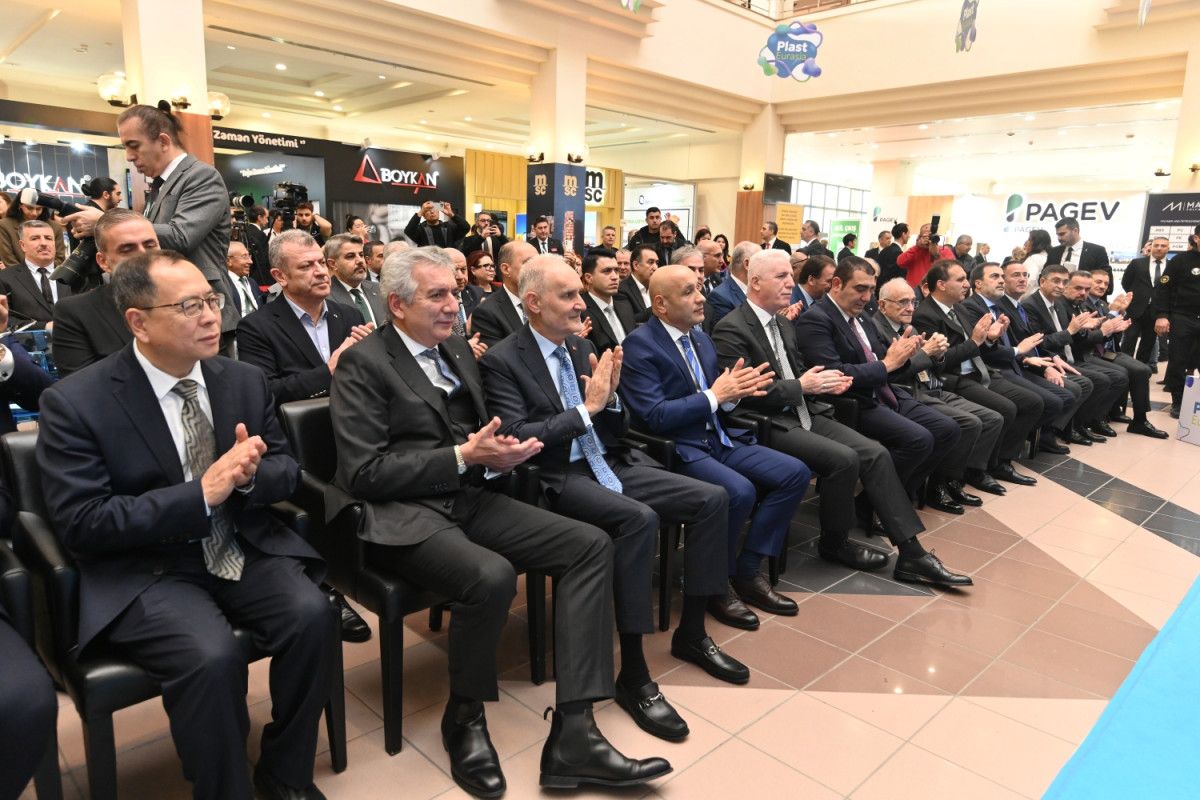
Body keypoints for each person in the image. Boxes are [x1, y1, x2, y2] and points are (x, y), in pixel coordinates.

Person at [327, 246, 671, 794]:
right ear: (397, 305)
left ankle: (575, 732)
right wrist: (464, 456)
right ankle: (464, 717)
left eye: (453, 292)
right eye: (437, 295)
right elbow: (364, 472)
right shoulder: (363, 364)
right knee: (491, 576)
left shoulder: (455, 348)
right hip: (403, 513)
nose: (453, 304)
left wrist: (503, 452)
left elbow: (486, 430)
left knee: (589, 545)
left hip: (470, 495)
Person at [36, 250, 338, 800]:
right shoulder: (76, 402)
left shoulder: (242, 380)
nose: (211, 316)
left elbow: (286, 470)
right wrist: (200, 492)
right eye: (189, 306)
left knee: (314, 616)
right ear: (138, 322)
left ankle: (285, 772)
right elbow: (83, 521)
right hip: (148, 565)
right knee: (211, 657)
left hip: (239, 541)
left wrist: (246, 479)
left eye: (212, 300)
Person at [481, 255, 747, 737]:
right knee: (638, 520)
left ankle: (692, 633)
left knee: (712, 499)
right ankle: (635, 674)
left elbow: (613, 425)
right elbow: (517, 435)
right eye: (568, 296)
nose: (580, 304)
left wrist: (613, 400)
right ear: (533, 302)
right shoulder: (503, 360)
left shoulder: (581, 346)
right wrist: (588, 409)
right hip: (558, 475)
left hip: (610, 459)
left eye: (578, 294)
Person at [713, 252, 969, 586]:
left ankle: (911, 553)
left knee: (874, 453)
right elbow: (744, 392)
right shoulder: (731, 327)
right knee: (845, 458)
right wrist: (802, 385)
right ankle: (835, 542)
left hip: (806, 410)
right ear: (756, 282)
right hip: (766, 421)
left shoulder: (784, 324)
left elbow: (801, 372)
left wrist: (822, 381)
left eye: (790, 276)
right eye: (781, 277)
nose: (790, 283)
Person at [620, 264, 815, 626]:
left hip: (719, 437)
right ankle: (715, 585)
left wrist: (735, 393)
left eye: (699, 289)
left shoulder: (701, 339)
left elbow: (720, 398)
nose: (701, 299)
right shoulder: (639, 345)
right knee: (738, 491)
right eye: (689, 292)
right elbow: (655, 416)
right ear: (660, 304)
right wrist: (716, 396)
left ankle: (747, 568)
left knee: (795, 473)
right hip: (678, 447)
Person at [794, 259, 969, 508]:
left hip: (886, 391)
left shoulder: (863, 318)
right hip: (853, 401)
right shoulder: (816, 319)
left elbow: (888, 361)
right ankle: (877, 506)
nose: (867, 298)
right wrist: (889, 364)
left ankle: (889, 499)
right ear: (837, 284)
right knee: (918, 440)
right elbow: (835, 373)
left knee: (947, 429)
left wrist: (906, 355)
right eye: (860, 289)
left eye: (871, 290)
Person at [66, 103, 241, 349]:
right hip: (167, 310)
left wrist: (105, 221)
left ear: (163, 141)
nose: (129, 156)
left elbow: (181, 236)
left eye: (133, 145)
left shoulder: (201, 176)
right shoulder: (159, 187)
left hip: (199, 310)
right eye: (126, 147)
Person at [875, 277, 1006, 507]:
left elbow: (934, 366)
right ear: (883, 305)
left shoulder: (910, 326)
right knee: (968, 423)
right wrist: (926, 353)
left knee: (992, 418)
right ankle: (937, 486)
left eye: (913, 302)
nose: (910, 308)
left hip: (933, 386)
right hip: (908, 392)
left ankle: (956, 479)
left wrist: (938, 354)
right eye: (902, 302)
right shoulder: (876, 329)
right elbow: (892, 373)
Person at [911, 261, 1043, 487]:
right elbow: (939, 361)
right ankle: (977, 469)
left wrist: (989, 338)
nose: (966, 284)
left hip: (979, 370)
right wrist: (975, 342)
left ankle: (998, 461)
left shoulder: (958, 308)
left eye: (966, 279)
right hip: (952, 378)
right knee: (1004, 409)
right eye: (960, 279)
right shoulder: (926, 314)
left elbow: (979, 347)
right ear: (941, 284)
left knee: (1031, 402)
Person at [236, 229, 372, 408]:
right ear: (280, 276)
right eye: (306, 266)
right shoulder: (256, 327)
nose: (321, 272)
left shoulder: (350, 315)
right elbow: (264, 392)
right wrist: (329, 370)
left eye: (321, 263)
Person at [960, 262, 1085, 455]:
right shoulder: (974, 307)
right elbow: (988, 350)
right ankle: (1005, 453)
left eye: (1025, 275)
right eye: (996, 277)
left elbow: (1027, 341)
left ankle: (1026, 440)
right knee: (1044, 401)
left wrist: (1046, 359)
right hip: (995, 368)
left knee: (1068, 393)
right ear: (978, 283)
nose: (1001, 281)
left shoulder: (999, 306)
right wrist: (1024, 356)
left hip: (1015, 363)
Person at [1022, 265, 1128, 441]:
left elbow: (1072, 335)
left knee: (1117, 375)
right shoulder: (1030, 305)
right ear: (1042, 281)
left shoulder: (1057, 304)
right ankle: (1063, 429)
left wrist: (1086, 328)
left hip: (1066, 357)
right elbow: (1040, 342)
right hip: (1047, 360)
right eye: (1056, 281)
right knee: (1091, 382)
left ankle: (1080, 424)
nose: (1060, 286)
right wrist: (1073, 331)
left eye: (1064, 282)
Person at [52, 209, 157, 376]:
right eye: (127, 249)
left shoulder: (191, 298)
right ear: (103, 262)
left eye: (150, 245)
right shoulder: (76, 313)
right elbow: (80, 385)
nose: (143, 254)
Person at [1080, 270, 1166, 438]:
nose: (1102, 286)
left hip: (1108, 351)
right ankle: (1114, 415)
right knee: (1133, 371)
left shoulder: (1103, 304)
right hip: (1093, 352)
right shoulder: (1082, 304)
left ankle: (1138, 419)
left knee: (1143, 369)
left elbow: (1111, 334)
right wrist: (1113, 315)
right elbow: (1092, 335)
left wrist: (1119, 317)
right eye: (1098, 282)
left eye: (1106, 283)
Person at [1155, 224, 1200, 418]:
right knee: (1178, 361)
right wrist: (1162, 315)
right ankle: (1178, 402)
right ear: (1196, 238)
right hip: (1183, 317)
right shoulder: (1180, 260)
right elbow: (1163, 288)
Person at [0, 220, 73, 328]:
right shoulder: (4, 278)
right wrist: (44, 327)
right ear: (22, 245)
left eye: (48, 238)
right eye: (35, 238)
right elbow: (5, 319)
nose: (43, 243)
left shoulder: (73, 277)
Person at [471, 239, 537, 346]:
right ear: (506, 269)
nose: (536, 268)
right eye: (528, 263)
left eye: (538, 263)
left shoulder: (547, 301)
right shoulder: (486, 312)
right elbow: (497, 355)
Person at [1121, 235, 1169, 365]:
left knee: (1148, 344)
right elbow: (1126, 282)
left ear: (1168, 248)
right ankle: (1124, 369)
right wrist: (1138, 296)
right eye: (1156, 245)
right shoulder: (1137, 263)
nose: (1159, 248)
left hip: (1156, 312)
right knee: (1128, 341)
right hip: (1135, 309)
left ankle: (1140, 370)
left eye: (1163, 246)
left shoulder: (1171, 266)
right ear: (1151, 247)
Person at [325, 234, 386, 326]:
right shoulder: (325, 297)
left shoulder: (379, 289)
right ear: (333, 264)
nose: (360, 261)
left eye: (361, 255)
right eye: (350, 256)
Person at [581, 250, 634, 354]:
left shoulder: (625, 305)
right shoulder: (580, 311)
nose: (615, 277)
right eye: (607, 271)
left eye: (616, 270)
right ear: (588, 278)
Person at [1048, 216, 1113, 296]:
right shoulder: (1054, 252)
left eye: (1062, 234)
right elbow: (1045, 274)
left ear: (1075, 231)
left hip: (1085, 299)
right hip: (1057, 298)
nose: (1059, 238)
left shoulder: (1097, 251)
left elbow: (1106, 281)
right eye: (1057, 235)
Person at [0, 194, 68, 268]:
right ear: (20, 205)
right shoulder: (4, 225)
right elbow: (8, 258)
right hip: (17, 273)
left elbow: (59, 259)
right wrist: (29, 273)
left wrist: (42, 272)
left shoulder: (55, 227)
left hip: (50, 273)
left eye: (38, 209)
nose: (34, 213)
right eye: (30, 208)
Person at [705, 240, 757, 328]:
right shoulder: (720, 297)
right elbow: (727, 333)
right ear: (747, 264)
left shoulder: (756, 291)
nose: (764, 266)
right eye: (760, 261)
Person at [897, 222, 953, 290]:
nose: (929, 239)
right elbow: (900, 262)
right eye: (925, 236)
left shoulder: (945, 250)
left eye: (931, 236)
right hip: (915, 291)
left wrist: (936, 254)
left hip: (937, 291)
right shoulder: (915, 251)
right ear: (919, 237)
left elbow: (951, 269)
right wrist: (917, 247)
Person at [614, 243, 659, 321]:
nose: (655, 267)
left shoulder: (657, 287)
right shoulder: (621, 290)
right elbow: (629, 321)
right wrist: (658, 306)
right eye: (650, 262)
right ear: (636, 265)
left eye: (656, 263)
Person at [225, 240, 264, 320]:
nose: (250, 261)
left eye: (249, 256)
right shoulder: (223, 284)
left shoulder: (252, 283)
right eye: (244, 257)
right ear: (228, 261)